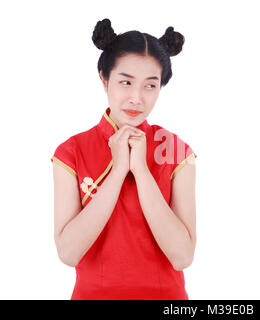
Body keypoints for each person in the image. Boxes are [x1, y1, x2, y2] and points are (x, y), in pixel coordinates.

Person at [50, 18, 197, 300]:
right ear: (105, 80)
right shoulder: (71, 151)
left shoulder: (177, 150)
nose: (136, 98)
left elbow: (182, 256)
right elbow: (68, 252)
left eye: (150, 86)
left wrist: (141, 171)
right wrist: (119, 170)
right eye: (125, 82)